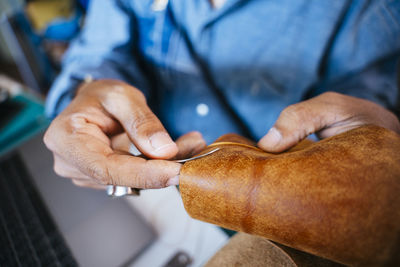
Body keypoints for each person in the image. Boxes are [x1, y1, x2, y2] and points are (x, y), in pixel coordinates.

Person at [44, 0, 400, 190]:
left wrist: (371, 147)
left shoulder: (367, 9)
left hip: (262, 229)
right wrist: (86, 92)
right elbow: (100, 51)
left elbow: (365, 123)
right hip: (142, 198)